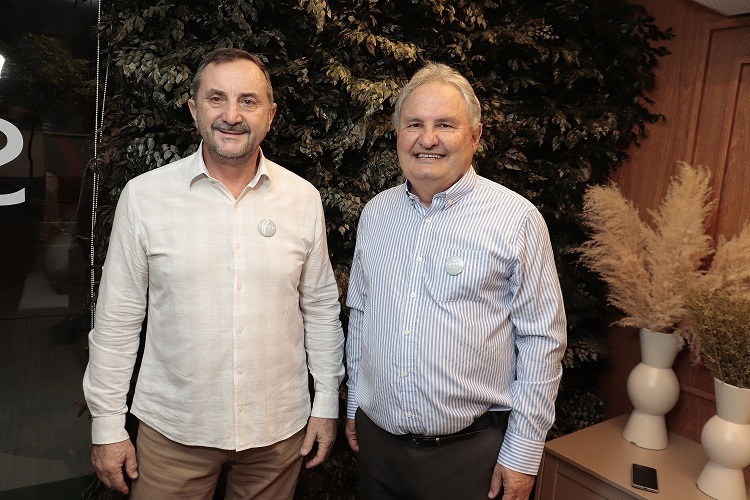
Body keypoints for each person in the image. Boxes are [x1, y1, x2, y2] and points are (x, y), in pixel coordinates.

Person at [83, 48, 345, 499]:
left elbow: (320, 308)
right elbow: (117, 319)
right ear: (194, 109)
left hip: (278, 433)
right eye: (216, 98)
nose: (232, 115)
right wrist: (107, 425)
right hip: (174, 431)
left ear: (270, 115)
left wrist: (325, 403)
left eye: (248, 101)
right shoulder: (144, 198)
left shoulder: (302, 199)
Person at [344, 62, 567, 500]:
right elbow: (363, 314)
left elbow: (542, 341)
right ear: (398, 134)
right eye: (414, 124)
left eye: (445, 125)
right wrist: (355, 404)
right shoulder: (376, 214)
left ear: (475, 136)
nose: (427, 139)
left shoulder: (516, 219)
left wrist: (522, 453)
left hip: (469, 457)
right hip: (377, 447)